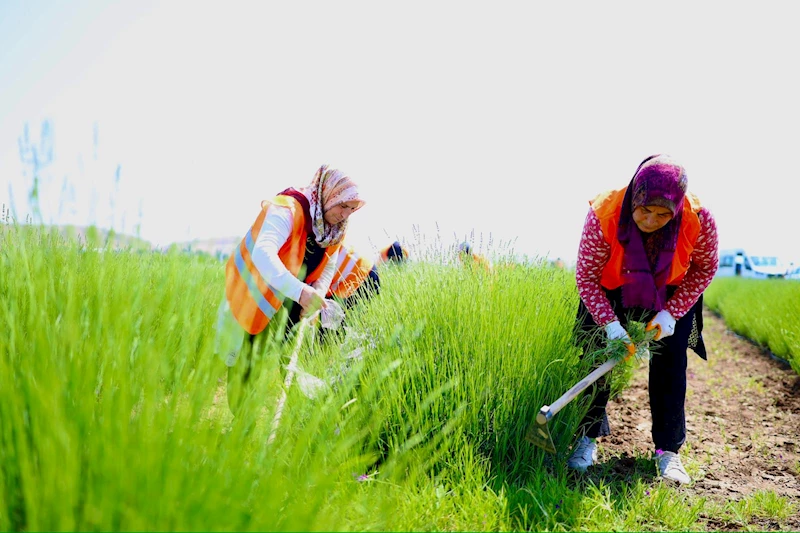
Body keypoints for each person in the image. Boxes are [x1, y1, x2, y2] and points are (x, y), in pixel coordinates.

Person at [568, 154, 719, 485]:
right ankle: (586, 437)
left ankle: (668, 451)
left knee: (671, 360)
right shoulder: (604, 213)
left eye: (664, 214)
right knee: (592, 351)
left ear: (677, 209)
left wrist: (672, 312)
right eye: (644, 210)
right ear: (634, 196)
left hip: (670, 289)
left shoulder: (699, 217)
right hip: (611, 286)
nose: (652, 220)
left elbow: (705, 267)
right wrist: (610, 326)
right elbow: (587, 276)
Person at [216, 164, 365, 414]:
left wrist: (317, 292)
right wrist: (301, 293)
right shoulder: (287, 208)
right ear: (330, 194)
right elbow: (263, 253)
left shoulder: (336, 230)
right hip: (255, 295)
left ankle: (274, 415)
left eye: (352, 210)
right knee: (245, 360)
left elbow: (328, 265)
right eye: (343, 205)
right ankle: (241, 423)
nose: (345, 214)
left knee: (274, 355)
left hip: (290, 302)